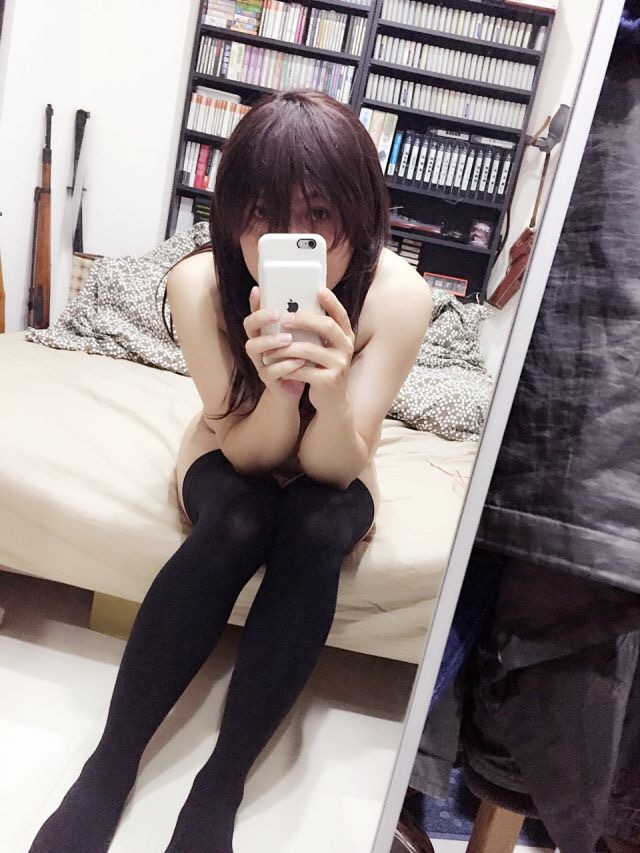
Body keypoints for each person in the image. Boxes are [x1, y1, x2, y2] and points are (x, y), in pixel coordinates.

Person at [29, 89, 432, 853]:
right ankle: (110, 765)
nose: (288, 237)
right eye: (263, 214)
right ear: (231, 214)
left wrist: (329, 391)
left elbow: (335, 466)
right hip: (234, 443)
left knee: (316, 523)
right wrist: (280, 388)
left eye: (319, 213)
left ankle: (221, 782)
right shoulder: (199, 286)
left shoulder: (398, 297)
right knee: (243, 513)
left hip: (339, 459)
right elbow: (248, 454)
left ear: (361, 213)